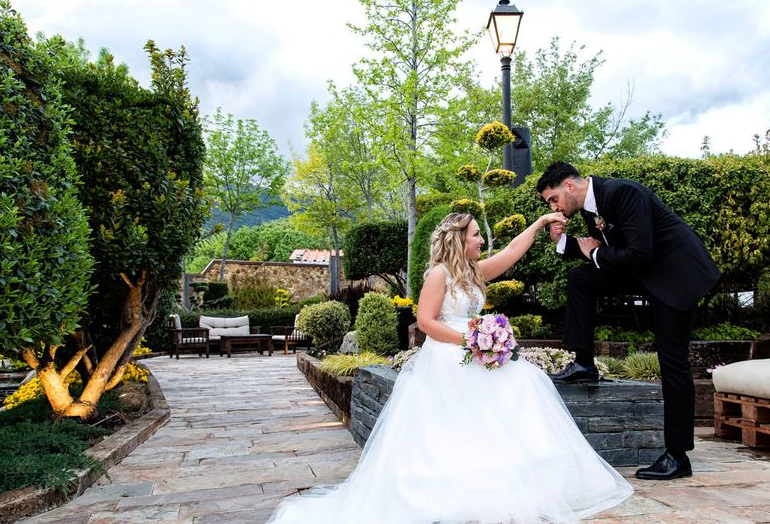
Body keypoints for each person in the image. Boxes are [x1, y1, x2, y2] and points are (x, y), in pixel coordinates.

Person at [267, 212, 633, 524]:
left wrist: (538, 224)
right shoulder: (438, 275)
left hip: (477, 350)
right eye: (475, 235)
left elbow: (510, 254)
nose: (480, 241)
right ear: (459, 239)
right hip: (448, 354)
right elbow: (425, 322)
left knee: (526, 382)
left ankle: (518, 476)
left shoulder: (473, 273)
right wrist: (472, 341)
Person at [535, 161, 721, 481]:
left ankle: (678, 456)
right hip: (645, 273)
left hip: (675, 277)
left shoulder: (623, 193)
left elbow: (638, 253)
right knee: (581, 278)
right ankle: (584, 364)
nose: (555, 207)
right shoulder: (592, 210)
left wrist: (594, 254)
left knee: (671, 360)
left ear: (569, 186)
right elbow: (597, 253)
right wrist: (562, 242)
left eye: (553, 199)